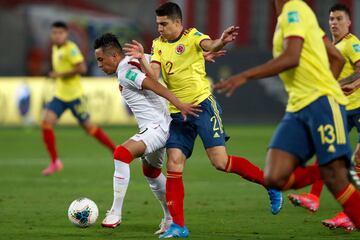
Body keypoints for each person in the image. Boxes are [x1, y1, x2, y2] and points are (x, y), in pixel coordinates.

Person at [124, 2, 283, 238]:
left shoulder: (192, 36)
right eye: (158, 24)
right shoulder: (157, 45)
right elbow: (155, 77)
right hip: (178, 113)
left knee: (220, 162)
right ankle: (179, 226)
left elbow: (210, 44)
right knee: (174, 164)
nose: (159, 28)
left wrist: (222, 39)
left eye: (164, 24)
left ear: (178, 23)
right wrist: (143, 59)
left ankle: (268, 182)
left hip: (202, 107)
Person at [215, 0, 360, 231]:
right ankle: (331, 167)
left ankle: (335, 171)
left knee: (336, 180)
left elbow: (292, 57)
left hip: (320, 103)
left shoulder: (295, 9)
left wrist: (245, 76)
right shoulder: (292, 16)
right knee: (275, 177)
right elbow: (337, 59)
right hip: (297, 107)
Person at [94, 33, 201, 234]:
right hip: (158, 126)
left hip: (158, 127)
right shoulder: (137, 59)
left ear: (115, 57)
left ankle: (115, 212)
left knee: (121, 154)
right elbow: (169, 60)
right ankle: (169, 218)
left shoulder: (126, 72)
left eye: (101, 59)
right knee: (151, 173)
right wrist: (199, 56)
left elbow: (156, 86)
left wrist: (179, 104)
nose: (99, 64)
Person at [286, 3, 360, 231]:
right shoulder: (332, 48)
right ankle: (314, 198)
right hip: (342, 110)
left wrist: (342, 83)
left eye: (339, 18)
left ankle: (349, 214)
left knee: (356, 161)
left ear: (349, 22)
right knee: (326, 151)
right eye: (331, 19)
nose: (334, 23)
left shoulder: (352, 43)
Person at [41, 21, 116, 176]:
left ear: (66, 34)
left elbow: (82, 68)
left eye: (60, 33)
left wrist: (58, 75)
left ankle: (115, 151)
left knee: (89, 128)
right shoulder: (55, 48)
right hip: (60, 96)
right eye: (54, 33)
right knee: (46, 122)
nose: (57, 36)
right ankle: (55, 162)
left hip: (75, 97)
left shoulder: (71, 49)